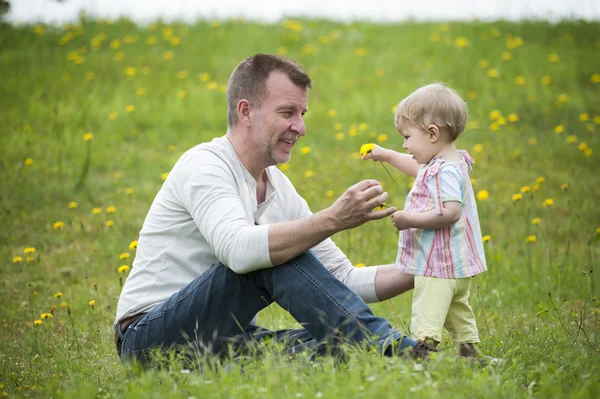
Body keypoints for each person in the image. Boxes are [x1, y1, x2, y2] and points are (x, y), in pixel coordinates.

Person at [114, 53, 435, 367]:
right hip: (148, 339)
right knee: (269, 254)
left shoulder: (279, 189)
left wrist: (429, 265)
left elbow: (342, 279)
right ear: (246, 111)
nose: (300, 127)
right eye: (287, 112)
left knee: (340, 348)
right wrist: (333, 219)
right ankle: (397, 352)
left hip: (227, 340)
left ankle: (414, 356)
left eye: (303, 114)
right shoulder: (205, 166)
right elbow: (239, 252)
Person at [362, 83, 487, 358]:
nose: (405, 145)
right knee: (457, 311)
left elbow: (451, 212)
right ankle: (471, 355)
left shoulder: (445, 171)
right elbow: (418, 168)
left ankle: (421, 355)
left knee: (427, 310)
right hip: (455, 265)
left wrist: (410, 219)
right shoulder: (448, 162)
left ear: (432, 133)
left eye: (407, 137)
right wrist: (384, 154)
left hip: (438, 265)